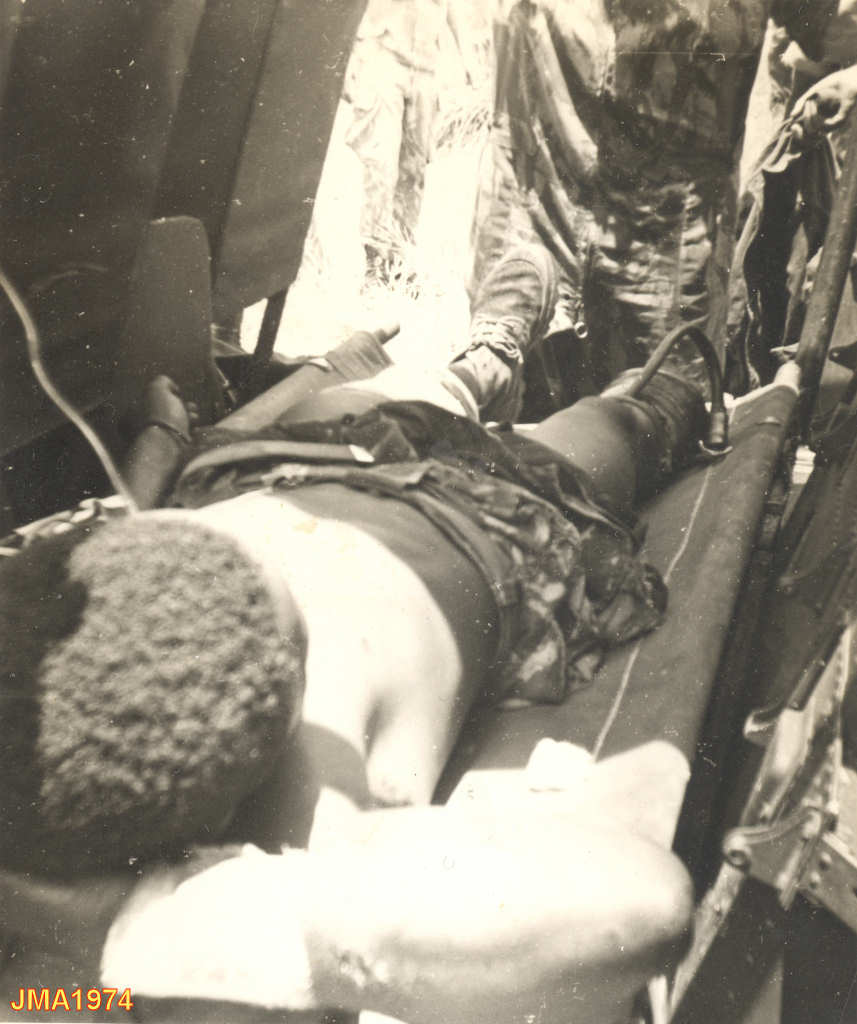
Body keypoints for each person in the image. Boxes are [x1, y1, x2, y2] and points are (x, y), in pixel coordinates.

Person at [0, 255, 705, 1022]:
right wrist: (125, 928)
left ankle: (484, 363)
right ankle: (624, 387)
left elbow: (118, 518)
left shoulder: (85, 656)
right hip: (467, 505)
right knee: (614, 428)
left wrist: (166, 438)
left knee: (421, 396)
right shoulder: (300, 793)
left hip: (289, 463)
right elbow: (642, 901)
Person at [449, 0, 857, 423]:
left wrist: (851, 79)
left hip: (662, 277)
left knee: (657, 433)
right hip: (533, 246)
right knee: (502, 433)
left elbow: (837, 27)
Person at [344, 0, 478, 277]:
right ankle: (375, 263)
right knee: (381, 166)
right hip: (384, 58)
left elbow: (454, 8)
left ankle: (398, 264)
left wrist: (470, 62)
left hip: (425, 70)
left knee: (413, 172)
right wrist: (348, 58)